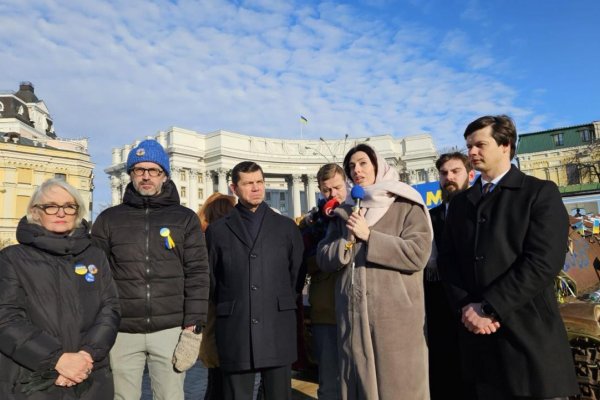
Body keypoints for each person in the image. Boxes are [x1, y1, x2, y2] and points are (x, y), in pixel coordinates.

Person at [439, 115, 579, 399]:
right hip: (480, 348)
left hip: (529, 342)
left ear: (505, 145)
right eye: (469, 146)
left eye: (480, 144)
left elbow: (543, 262)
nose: (472, 153)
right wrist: (468, 307)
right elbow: (448, 261)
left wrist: (488, 308)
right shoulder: (460, 204)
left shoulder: (539, 193)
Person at [91, 139, 209, 400]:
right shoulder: (109, 219)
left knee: (170, 396)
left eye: (153, 170)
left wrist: (194, 324)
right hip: (121, 330)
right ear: (131, 174)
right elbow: (96, 274)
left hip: (170, 328)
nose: (146, 176)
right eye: (139, 170)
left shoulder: (185, 218)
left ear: (164, 175)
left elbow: (198, 272)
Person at [318, 144, 433, 400]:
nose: (356, 170)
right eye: (351, 167)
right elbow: (323, 257)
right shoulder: (345, 211)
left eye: (362, 163)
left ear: (378, 165)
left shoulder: (406, 204)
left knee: (399, 388)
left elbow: (418, 254)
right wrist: (347, 240)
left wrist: (369, 236)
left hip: (395, 322)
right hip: (353, 321)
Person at [0, 178, 120, 399]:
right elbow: (6, 319)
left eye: (69, 206)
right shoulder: (12, 258)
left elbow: (110, 309)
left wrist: (86, 356)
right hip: (33, 378)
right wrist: (57, 360)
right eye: (51, 206)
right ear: (36, 212)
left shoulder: (95, 255)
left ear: (77, 212)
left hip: (90, 375)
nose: (61, 213)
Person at [205, 161, 304, 400]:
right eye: (248, 183)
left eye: (259, 182)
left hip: (277, 326)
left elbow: (296, 275)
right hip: (235, 327)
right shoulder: (217, 231)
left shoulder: (286, 227)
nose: (256, 188)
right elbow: (211, 279)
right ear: (234, 188)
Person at [425, 152, 474, 399]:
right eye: (444, 173)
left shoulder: (479, 211)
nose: (449, 178)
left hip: (475, 308)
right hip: (439, 308)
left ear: (470, 174)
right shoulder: (429, 217)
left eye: (455, 171)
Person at [299, 163, 347, 400]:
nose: (333, 194)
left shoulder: (361, 213)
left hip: (357, 310)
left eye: (337, 187)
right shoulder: (311, 223)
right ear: (319, 189)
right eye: (327, 190)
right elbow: (303, 262)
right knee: (328, 382)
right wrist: (331, 254)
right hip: (326, 311)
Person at [197, 193, 237, 400]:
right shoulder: (226, 239)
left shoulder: (199, 239)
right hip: (227, 319)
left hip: (210, 319)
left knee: (215, 381)